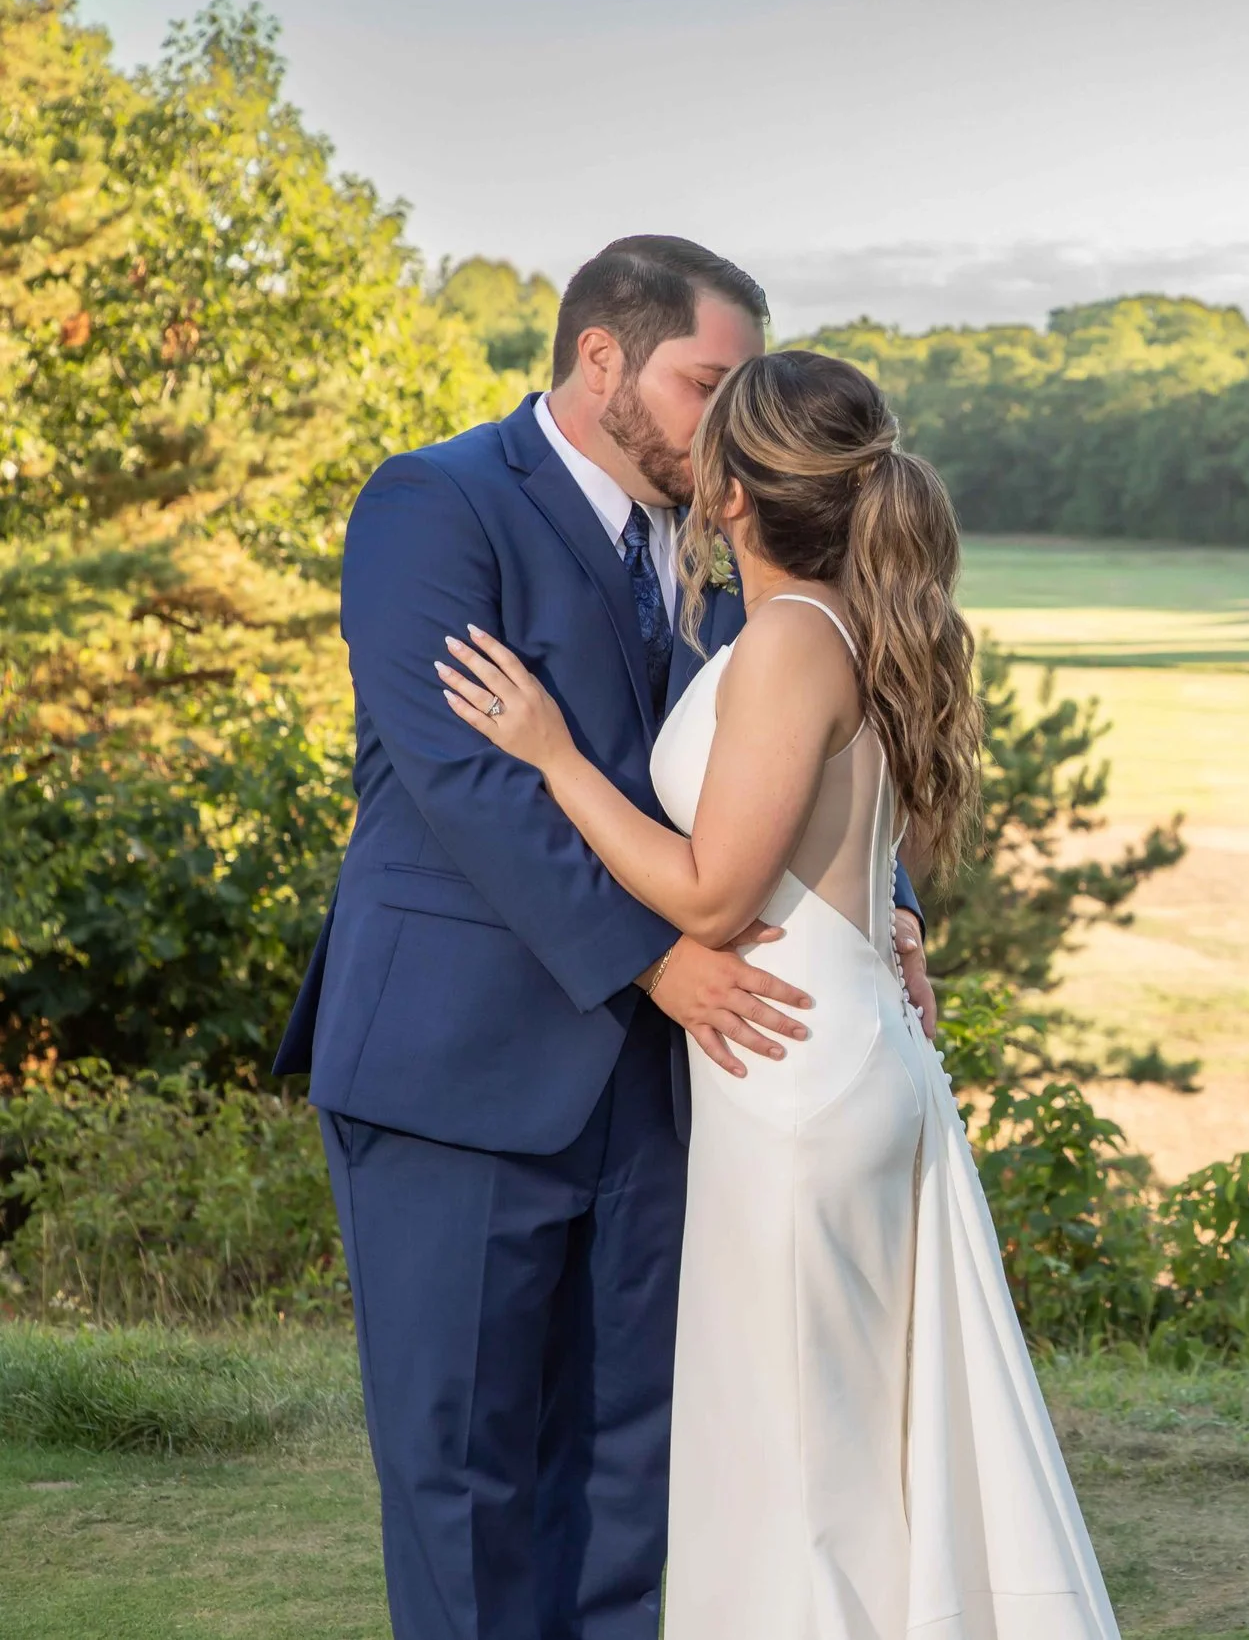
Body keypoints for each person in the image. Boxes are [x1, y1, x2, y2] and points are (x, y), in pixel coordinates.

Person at [270, 237, 938, 1640]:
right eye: (707, 380)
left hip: (666, 1081)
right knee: (464, 1471)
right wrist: (653, 956)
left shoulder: (722, 537)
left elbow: (800, 746)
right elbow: (467, 784)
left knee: (635, 1464)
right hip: (459, 1065)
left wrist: (886, 902)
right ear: (600, 360)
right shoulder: (434, 504)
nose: (728, 417)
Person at [440, 351, 1119, 1635]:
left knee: (811, 1460)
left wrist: (552, 757)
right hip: (812, 1048)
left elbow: (708, 894)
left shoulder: (790, 645)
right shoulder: (809, 632)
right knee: (816, 1437)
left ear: (737, 497)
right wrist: (897, 914)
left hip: (798, 1069)